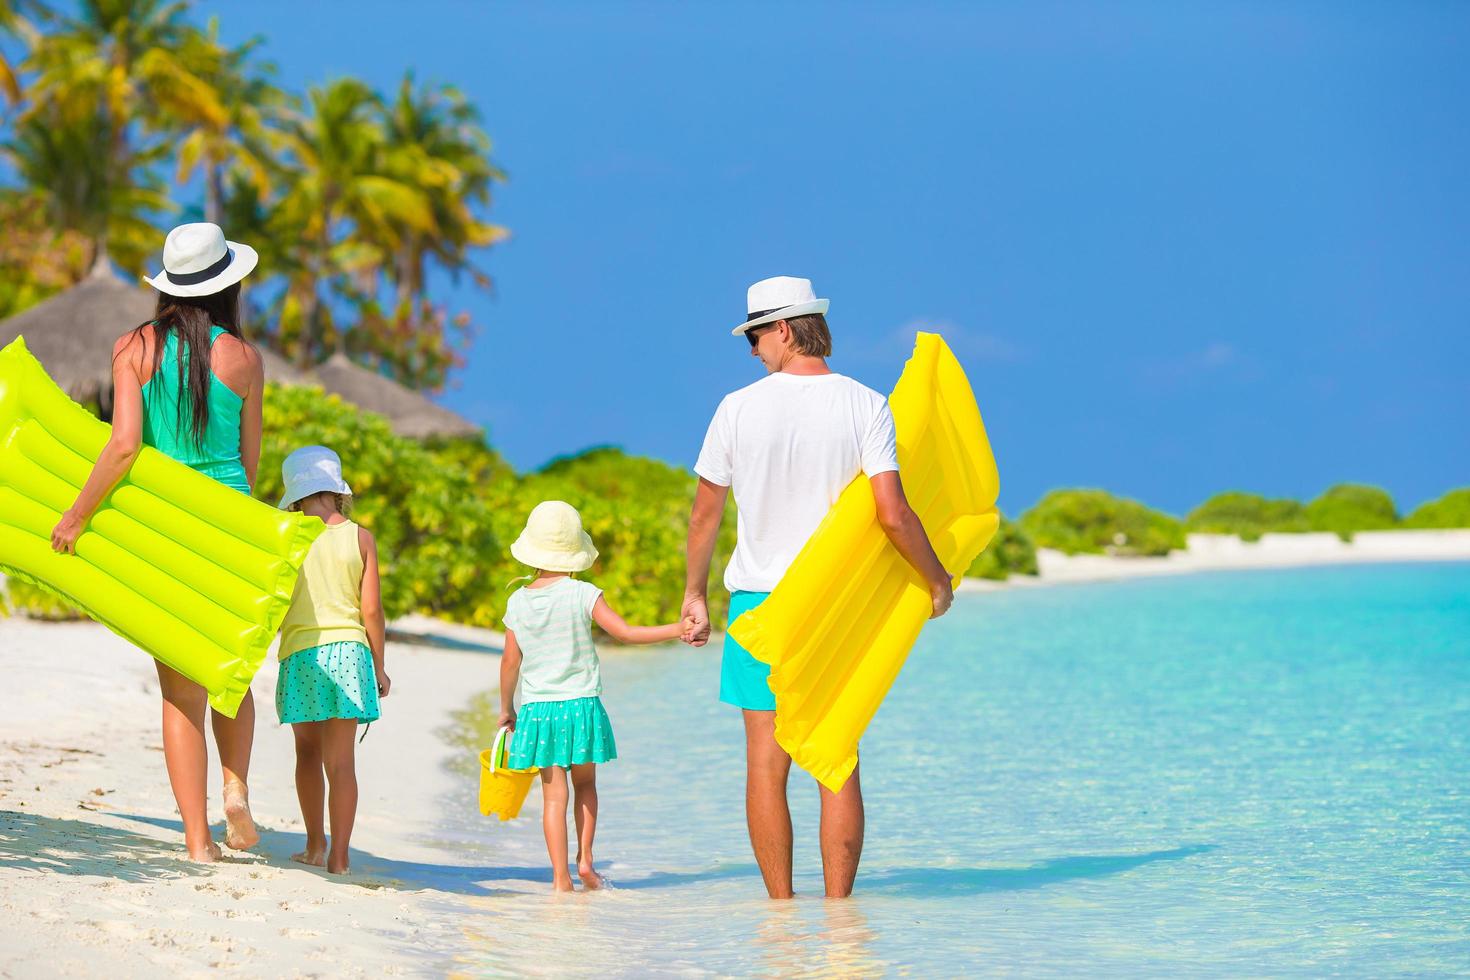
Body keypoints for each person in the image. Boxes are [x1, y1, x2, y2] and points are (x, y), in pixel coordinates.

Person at [682, 276, 955, 899]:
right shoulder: (865, 404)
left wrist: (694, 595)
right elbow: (893, 514)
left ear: (782, 328)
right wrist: (935, 579)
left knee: (765, 764)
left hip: (760, 604)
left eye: (754, 335)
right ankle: (840, 921)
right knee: (838, 760)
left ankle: (780, 915)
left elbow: (705, 516)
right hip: (836, 607)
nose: (752, 349)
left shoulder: (736, 408)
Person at [50, 223, 265, 862]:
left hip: (165, 529)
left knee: (179, 691)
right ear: (228, 284)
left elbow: (122, 446)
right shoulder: (246, 359)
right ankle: (236, 787)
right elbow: (249, 465)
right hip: (229, 527)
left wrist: (78, 515)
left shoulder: (134, 348)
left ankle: (198, 843)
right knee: (231, 671)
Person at [497, 501, 691, 892]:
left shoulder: (517, 601)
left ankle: (559, 880)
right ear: (574, 553)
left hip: (538, 710)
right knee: (585, 785)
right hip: (581, 705)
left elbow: (509, 662)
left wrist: (506, 709)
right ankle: (586, 861)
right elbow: (625, 632)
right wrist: (677, 628)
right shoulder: (583, 593)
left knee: (554, 797)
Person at [275, 446, 389, 875]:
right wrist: (379, 666)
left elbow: (276, 601)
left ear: (297, 492)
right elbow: (372, 612)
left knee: (306, 754)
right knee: (341, 764)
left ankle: (313, 845)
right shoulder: (361, 537)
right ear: (336, 490)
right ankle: (341, 856)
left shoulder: (287, 535)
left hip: (302, 654)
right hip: (349, 653)